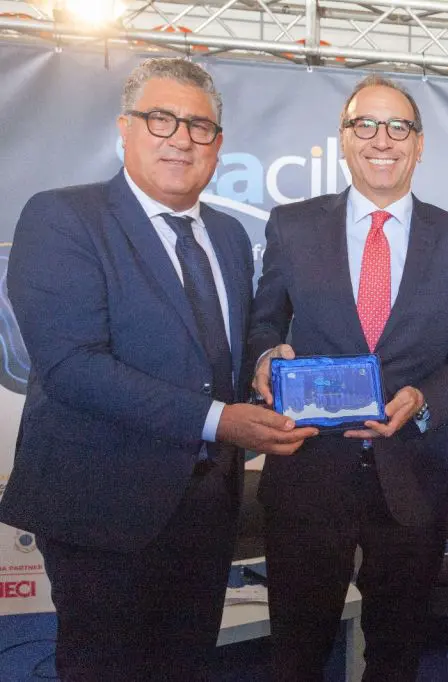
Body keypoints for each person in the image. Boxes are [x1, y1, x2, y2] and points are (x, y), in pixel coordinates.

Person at [0, 58, 315, 680]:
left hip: (207, 509)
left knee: (186, 664)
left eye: (199, 126)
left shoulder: (228, 236)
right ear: (125, 128)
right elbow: (72, 367)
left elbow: (221, 349)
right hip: (102, 507)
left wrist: (263, 363)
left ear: (218, 144)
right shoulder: (64, 217)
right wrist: (222, 421)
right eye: (161, 119)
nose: (181, 139)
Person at [248, 74, 448, 681]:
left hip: (413, 479)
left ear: (419, 144)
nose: (381, 139)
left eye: (398, 127)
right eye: (366, 124)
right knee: (296, 656)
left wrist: (424, 399)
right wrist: (265, 356)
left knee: (396, 657)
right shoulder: (292, 226)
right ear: (344, 138)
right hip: (309, 473)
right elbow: (263, 322)